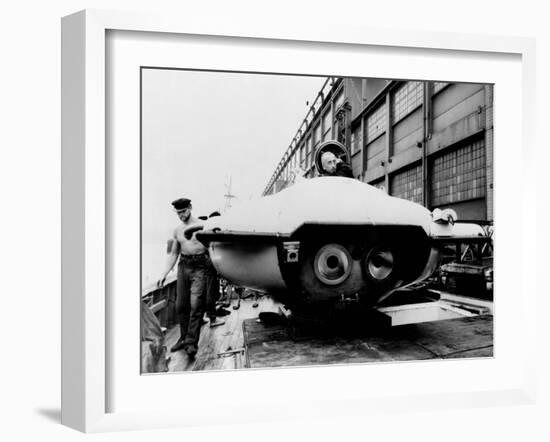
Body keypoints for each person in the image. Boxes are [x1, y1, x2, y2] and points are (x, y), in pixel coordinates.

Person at [157, 197, 208, 358]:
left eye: (184, 211)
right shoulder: (177, 230)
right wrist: (164, 273)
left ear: (190, 207)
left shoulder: (203, 226)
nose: (181, 215)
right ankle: (184, 338)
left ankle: (191, 343)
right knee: (180, 306)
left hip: (200, 266)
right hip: (183, 266)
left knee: (196, 305)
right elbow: (173, 253)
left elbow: (212, 248)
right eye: (178, 213)